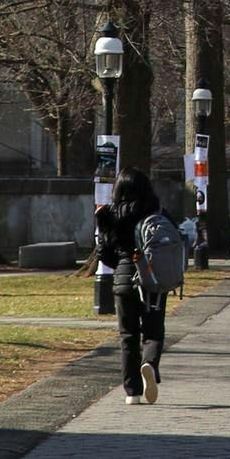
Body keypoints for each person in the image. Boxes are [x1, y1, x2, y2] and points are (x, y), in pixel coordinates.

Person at [97, 168, 167, 406]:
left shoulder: (110, 215)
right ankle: (149, 363)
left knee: (128, 335)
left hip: (124, 278)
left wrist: (120, 264)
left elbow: (104, 254)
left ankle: (132, 392)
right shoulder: (156, 211)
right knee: (154, 330)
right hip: (153, 278)